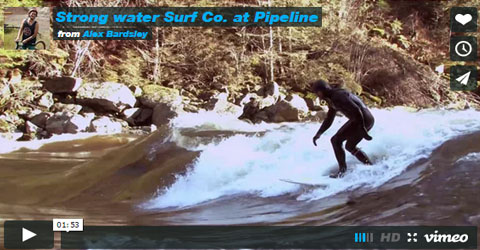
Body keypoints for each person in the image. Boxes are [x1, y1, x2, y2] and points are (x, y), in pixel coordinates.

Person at [311, 80, 375, 178]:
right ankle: (370, 167)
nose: (317, 96)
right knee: (350, 146)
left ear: (320, 91)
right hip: (365, 119)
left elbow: (356, 109)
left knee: (335, 140)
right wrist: (319, 133)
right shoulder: (332, 98)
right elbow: (329, 119)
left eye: (317, 93)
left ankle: (342, 171)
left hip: (362, 118)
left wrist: (362, 128)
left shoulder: (338, 96)